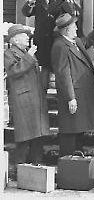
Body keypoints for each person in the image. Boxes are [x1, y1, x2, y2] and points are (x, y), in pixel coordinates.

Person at [51, 12, 94, 156]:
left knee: (79, 128)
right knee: (70, 130)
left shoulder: (74, 41)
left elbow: (87, 41)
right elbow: (63, 74)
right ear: (66, 30)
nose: (76, 28)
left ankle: (78, 159)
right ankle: (67, 161)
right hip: (74, 93)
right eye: (74, 26)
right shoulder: (60, 46)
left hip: (82, 93)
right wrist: (70, 97)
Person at [4, 24, 50, 170]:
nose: (27, 38)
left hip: (33, 97)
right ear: (15, 40)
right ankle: (20, 168)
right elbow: (14, 72)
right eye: (24, 36)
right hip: (23, 99)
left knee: (36, 134)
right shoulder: (9, 54)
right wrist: (29, 56)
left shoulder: (25, 52)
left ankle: (37, 166)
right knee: (25, 135)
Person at [22, 0, 58, 91]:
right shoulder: (37, 2)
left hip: (54, 40)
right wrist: (29, 3)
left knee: (57, 65)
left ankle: (61, 92)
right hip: (41, 40)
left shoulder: (59, 3)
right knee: (44, 65)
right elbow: (26, 13)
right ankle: (43, 92)